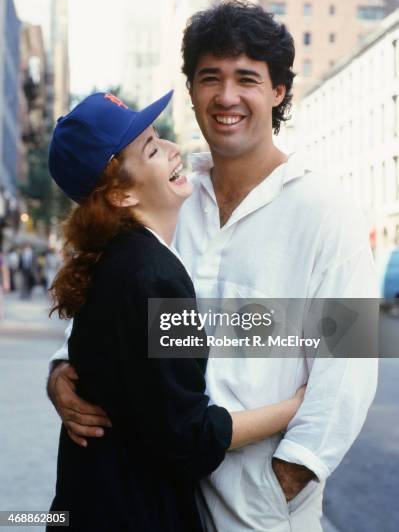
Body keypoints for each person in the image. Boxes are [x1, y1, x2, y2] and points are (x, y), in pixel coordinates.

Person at [47, 0, 378, 532]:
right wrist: (63, 372)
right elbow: (114, 307)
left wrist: (285, 479)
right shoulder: (173, 196)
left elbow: (349, 369)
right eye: (210, 78)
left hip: (258, 511)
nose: (226, 97)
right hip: (163, 500)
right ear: (193, 91)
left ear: (278, 92)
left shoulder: (326, 210)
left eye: (246, 78)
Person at [46, 90, 306, 531]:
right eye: (151, 148)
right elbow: (187, 437)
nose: (171, 148)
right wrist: (295, 407)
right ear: (120, 196)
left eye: (160, 137)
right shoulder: (155, 275)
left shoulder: (114, 259)